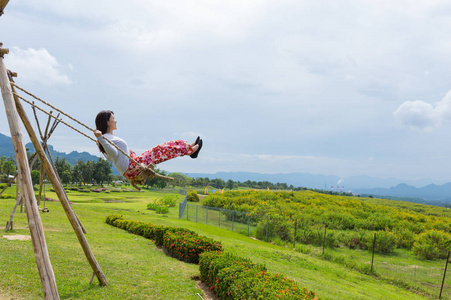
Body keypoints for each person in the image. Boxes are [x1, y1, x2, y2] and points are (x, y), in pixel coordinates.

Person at [93, 110, 202, 182]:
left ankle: (187, 147)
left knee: (161, 147)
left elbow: (112, 156)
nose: (116, 121)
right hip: (132, 169)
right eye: (113, 119)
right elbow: (113, 153)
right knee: (160, 150)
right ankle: (189, 151)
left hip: (131, 168)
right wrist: (101, 139)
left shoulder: (107, 138)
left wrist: (101, 140)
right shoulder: (105, 138)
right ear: (107, 122)